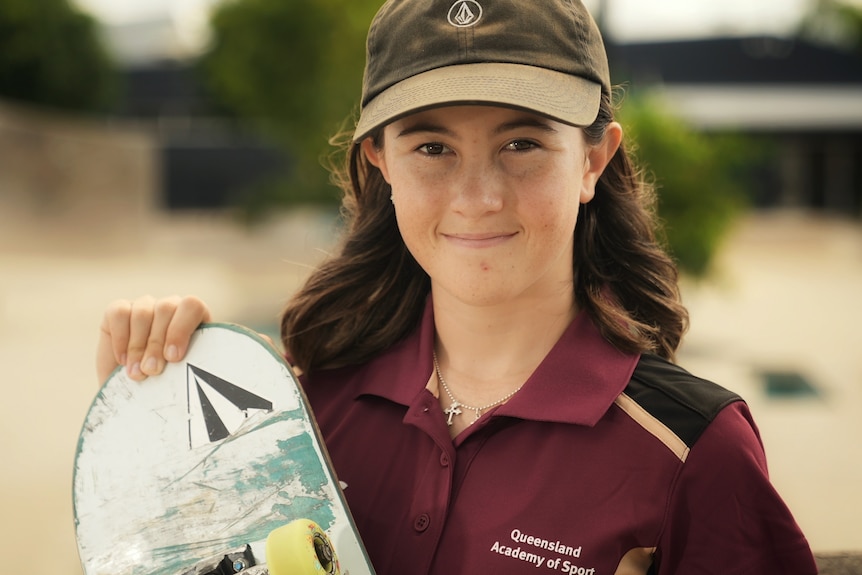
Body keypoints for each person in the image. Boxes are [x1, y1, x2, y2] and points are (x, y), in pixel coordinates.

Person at [96, 0, 818, 573]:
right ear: (380, 159)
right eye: (432, 147)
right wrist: (148, 431)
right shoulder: (298, 418)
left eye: (523, 143)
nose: (477, 197)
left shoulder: (693, 449)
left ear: (595, 158)